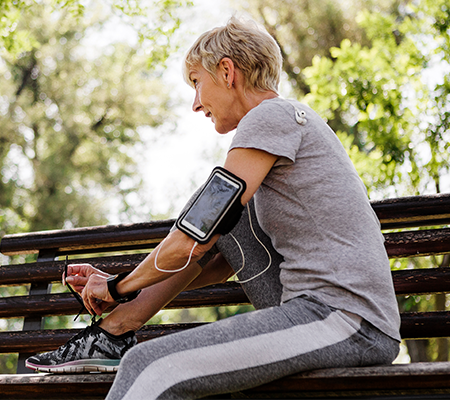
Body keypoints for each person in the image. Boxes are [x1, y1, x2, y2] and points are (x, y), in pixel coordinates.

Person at [26, 16, 401, 400]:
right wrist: (124, 287)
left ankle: (117, 331)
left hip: (345, 319)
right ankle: (116, 331)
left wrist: (117, 286)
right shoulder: (280, 134)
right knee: (214, 210)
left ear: (227, 71)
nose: (194, 103)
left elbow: (195, 236)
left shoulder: (270, 117)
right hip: (319, 314)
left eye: (195, 82)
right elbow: (213, 255)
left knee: (149, 367)